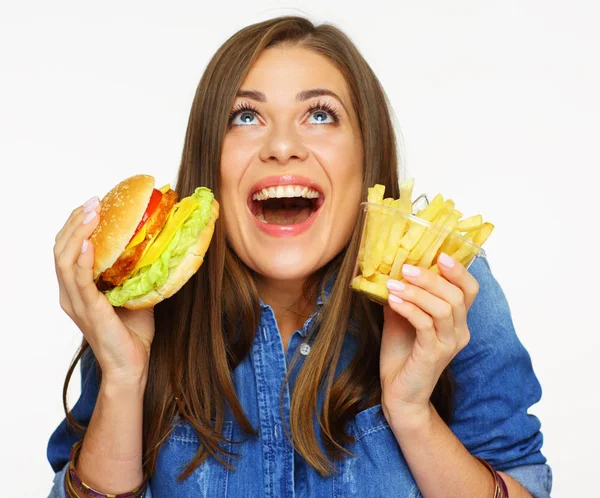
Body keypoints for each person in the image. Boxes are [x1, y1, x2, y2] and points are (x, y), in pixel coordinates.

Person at [47, 16, 552, 498]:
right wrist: (122, 376)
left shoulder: (443, 287)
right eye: (245, 117)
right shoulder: (144, 302)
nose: (282, 145)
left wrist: (412, 412)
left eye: (320, 115)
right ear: (211, 161)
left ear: (365, 155)